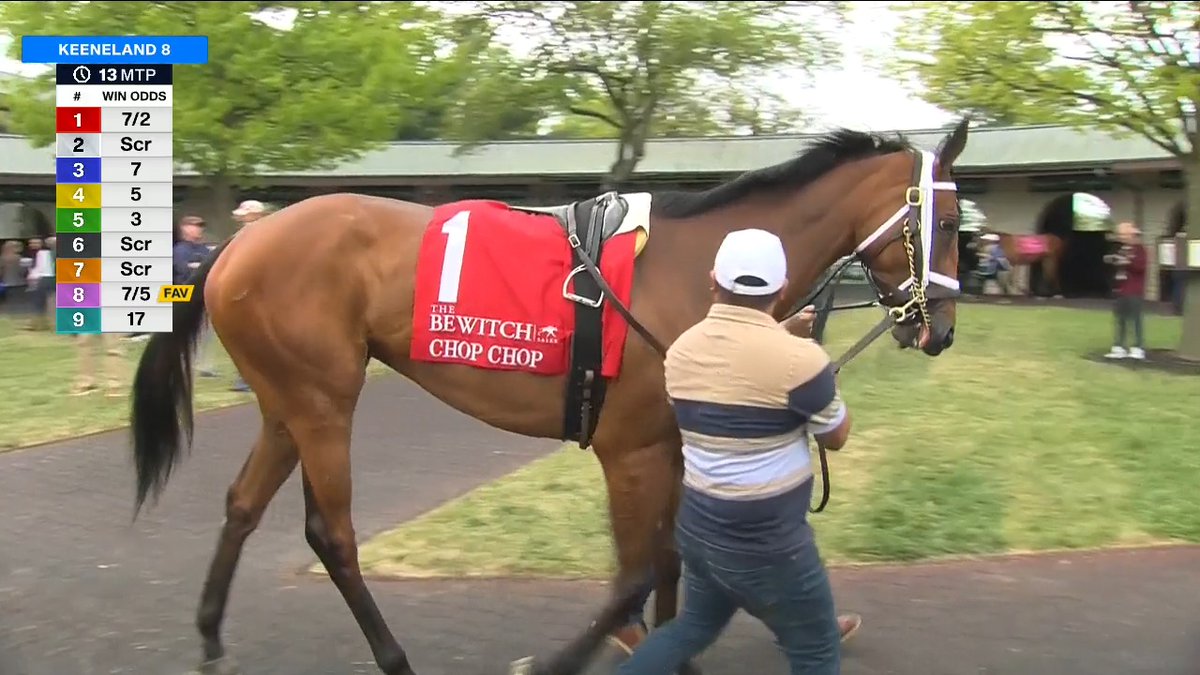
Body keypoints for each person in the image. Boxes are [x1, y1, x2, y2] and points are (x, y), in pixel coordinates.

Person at [617, 228, 857, 675]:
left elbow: (731, 374)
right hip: (771, 547)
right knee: (818, 649)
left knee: (689, 628)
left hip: (702, 534)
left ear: (713, 282)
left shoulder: (681, 353)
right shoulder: (803, 363)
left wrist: (784, 338)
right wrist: (815, 367)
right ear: (783, 289)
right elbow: (836, 436)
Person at [227, 199, 270, 392]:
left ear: (255, 215)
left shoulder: (255, 235)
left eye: (245, 216)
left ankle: (248, 378)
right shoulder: (254, 234)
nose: (242, 220)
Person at [173, 215, 219, 376]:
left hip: (201, 293)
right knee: (182, 330)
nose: (199, 228)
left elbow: (213, 269)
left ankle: (204, 366)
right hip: (179, 292)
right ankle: (180, 363)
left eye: (200, 225)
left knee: (206, 330)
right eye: (195, 225)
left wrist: (196, 267)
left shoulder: (204, 249)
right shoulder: (178, 249)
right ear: (184, 228)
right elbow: (183, 271)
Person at [1103, 221, 1148, 361]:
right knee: (1120, 319)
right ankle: (1119, 347)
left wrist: (1127, 262)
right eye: (1120, 234)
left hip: (1134, 289)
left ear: (1131, 234)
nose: (1121, 237)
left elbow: (1140, 267)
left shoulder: (1140, 250)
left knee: (1135, 319)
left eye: (1123, 234)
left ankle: (1138, 347)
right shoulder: (1122, 249)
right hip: (1121, 288)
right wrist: (1114, 260)